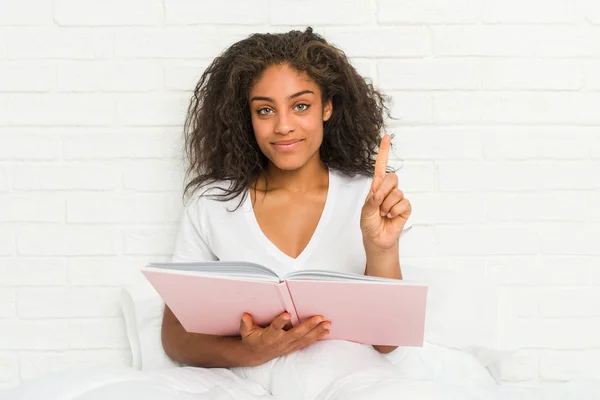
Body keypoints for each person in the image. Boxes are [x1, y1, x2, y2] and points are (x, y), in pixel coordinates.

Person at [161, 27, 420, 400]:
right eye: (265, 110)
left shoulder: (367, 196)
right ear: (246, 118)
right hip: (240, 385)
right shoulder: (211, 204)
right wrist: (248, 352)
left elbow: (387, 343)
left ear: (327, 107)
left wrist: (381, 248)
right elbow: (174, 337)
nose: (283, 125)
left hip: (347, 381)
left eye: (301, 105)